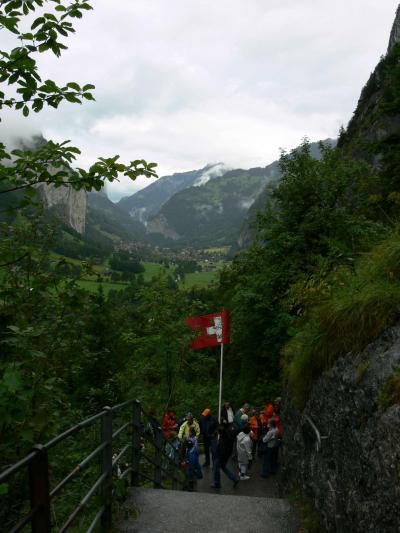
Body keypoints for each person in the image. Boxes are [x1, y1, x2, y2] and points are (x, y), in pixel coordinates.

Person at [211, 423, 240, 489]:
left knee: (216, 469)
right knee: (223, 467)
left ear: (220, 432)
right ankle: (235, 479)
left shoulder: (223, 440)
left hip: (220, 456)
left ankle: (217, 483)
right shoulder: (227, 436)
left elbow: (221, 449)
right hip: (226, 456)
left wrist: (217, 455)